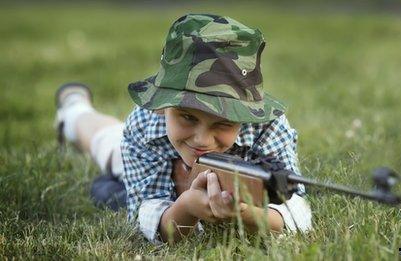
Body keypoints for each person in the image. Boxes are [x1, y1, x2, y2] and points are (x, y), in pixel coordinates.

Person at [54, 13, 312, 245]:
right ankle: (74, 111)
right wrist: (188, 206)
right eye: (188, 117)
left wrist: (244, 213)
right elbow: (146, 216)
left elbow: (296, 214)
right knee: (107, 146)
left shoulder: (267, 126)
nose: (202, 139)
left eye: (223, 123)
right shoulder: (146, 124)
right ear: (161, 107)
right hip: (150, 155)